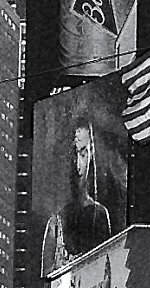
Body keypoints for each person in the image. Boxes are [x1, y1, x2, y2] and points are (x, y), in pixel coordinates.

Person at [40, 116, 113, 275]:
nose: (77, 164)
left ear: (91, 154)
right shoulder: (55, 222)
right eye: (73, 154)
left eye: (83, 153)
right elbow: (47, 285)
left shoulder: (99, 215)